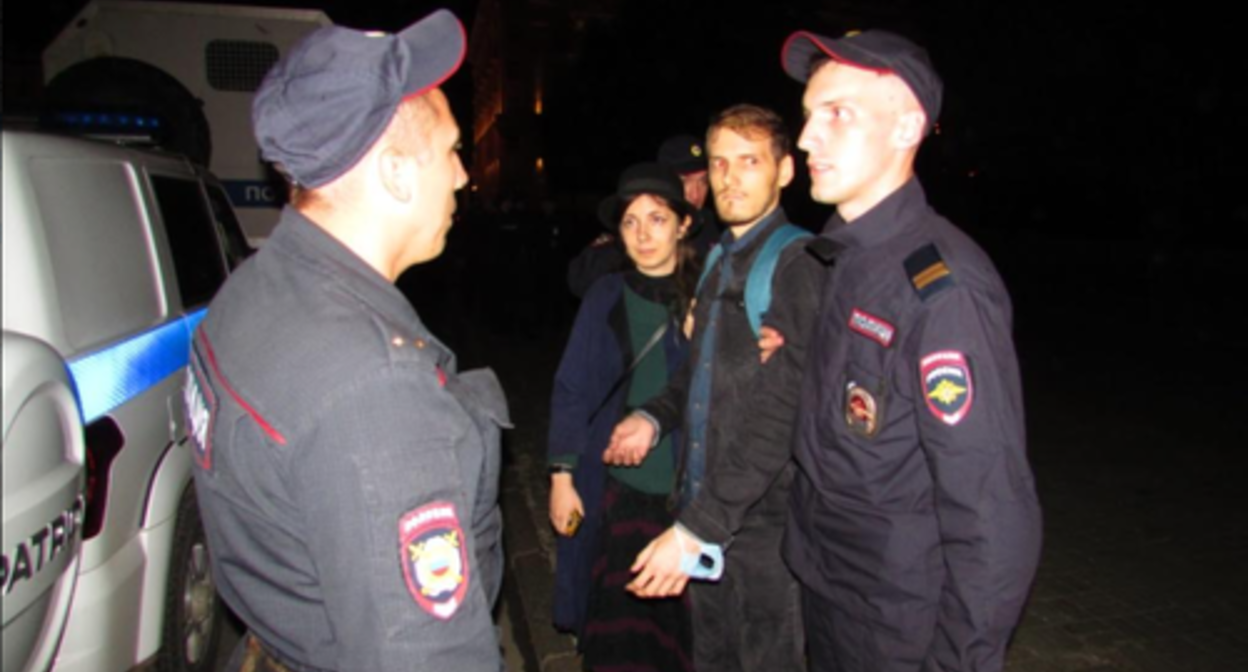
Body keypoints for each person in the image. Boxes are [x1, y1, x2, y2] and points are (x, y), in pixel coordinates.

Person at [182, 11, 509, 672]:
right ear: (394, 173)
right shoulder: (377, 391)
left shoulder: (251, 291)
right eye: (448, 150)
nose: (462, 176)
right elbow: (423, 656)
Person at [774, 28, 1043, 671]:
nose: (808, 137)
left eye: (837, 114)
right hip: (830, 588)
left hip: (896, 622)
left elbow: (991, 511)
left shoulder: (941, 290)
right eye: (809, 116)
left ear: (906, 129)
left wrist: (959, 662)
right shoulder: (846, 258)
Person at [605, 104, 823, 672]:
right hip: (705, 516)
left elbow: (782, 412)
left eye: (749, 161)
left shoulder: (798, 265)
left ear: (784, 171)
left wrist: (698, 528)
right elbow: (696, 376)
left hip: (764, 532)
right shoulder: (717, 261)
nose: (729, 177)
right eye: (721, 162)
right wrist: (652, 417)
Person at [547, 162, 698, 671]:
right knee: (619, 627)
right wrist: (562, 476)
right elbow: (572, 387)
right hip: (615, 486)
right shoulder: (605, 295)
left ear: (683, 224)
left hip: (686, 490)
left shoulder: (710, 295)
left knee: (682, 633)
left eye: (656, 219)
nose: (643, 234)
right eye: (631, 222)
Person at [566, 134, 719, 298]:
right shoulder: (633, 236)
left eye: (703, 181)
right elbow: (580, 280)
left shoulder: (716, 228)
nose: (696, 193)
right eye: (685, 181)